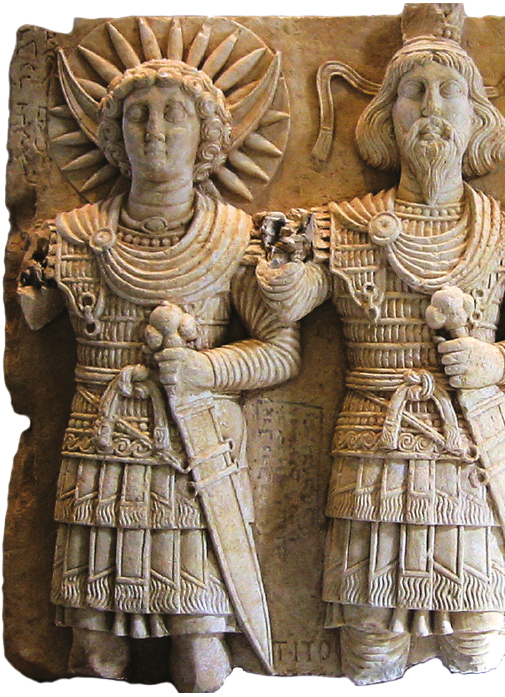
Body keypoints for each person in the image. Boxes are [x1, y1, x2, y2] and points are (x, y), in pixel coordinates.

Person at [256, 4, 505, 683]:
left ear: (477, 115)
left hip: (474, 453)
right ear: (386, 115)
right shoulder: (344, 227)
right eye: (413, 91)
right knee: (370, 653)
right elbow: (286, 305)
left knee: (478, 648)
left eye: (449, 90)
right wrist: (282, 263)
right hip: (375, 452)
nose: (431, 106)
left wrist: (494, 359)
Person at [18, 60, 300, 691]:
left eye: (175, 114)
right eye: (137, 115)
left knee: (200, 650)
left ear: (208, 136)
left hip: (193, 456)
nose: (155, 130)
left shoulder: (236, 239)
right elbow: (33, 318)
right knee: (93, 645)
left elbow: (283, 352)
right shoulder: (71, 237)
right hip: (100, 456)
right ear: (113, 135)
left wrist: (205, 368)